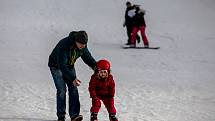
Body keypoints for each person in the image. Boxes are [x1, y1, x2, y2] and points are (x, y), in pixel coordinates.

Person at [48, 31, 97, 121]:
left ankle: (74, 115)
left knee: (73, 89)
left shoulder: (83, 47)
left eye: (85, 44)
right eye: (81, 44)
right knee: (62, 90)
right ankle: (61, 116)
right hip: (56, 66)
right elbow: (62, 65)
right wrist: (73, 78)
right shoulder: (64, 45)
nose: (83, 46)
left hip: (69, 66)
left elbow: (88, 57)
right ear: (76, 41)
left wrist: (96, 68)